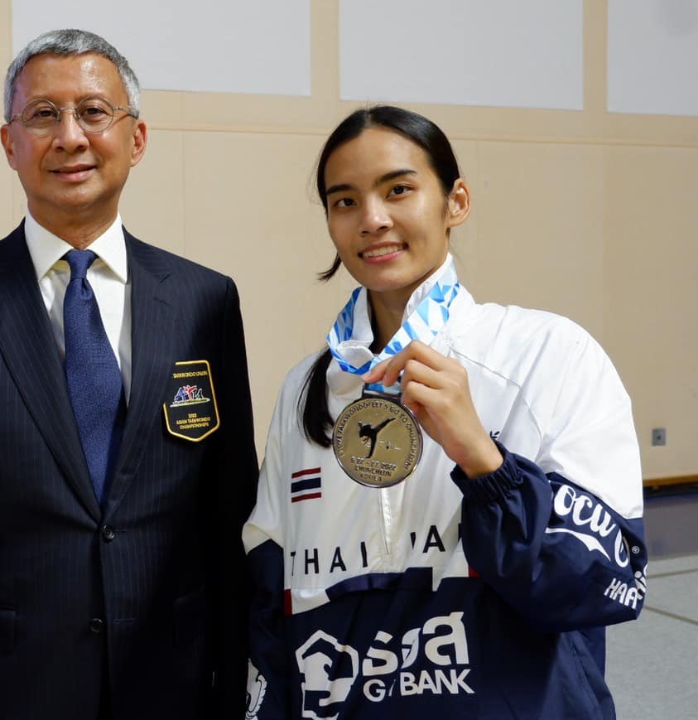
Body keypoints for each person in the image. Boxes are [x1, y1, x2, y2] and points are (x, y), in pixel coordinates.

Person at [0, 28, 258, 720]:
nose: (69, 137)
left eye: (93, 112)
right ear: (9, 143)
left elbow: (228, 507)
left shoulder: (204, 300)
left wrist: (233, 681)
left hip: (174, 682)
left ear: (137, 138)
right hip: (7, 687)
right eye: (43, 115)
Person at [242, 105, 647, 719]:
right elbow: (272, 596)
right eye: (345, 201)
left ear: (456, 201)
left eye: (398, 190)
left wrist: (486, 463)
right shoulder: (307, 388)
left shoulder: (548, 354)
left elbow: (597, 587)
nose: (372, 219)